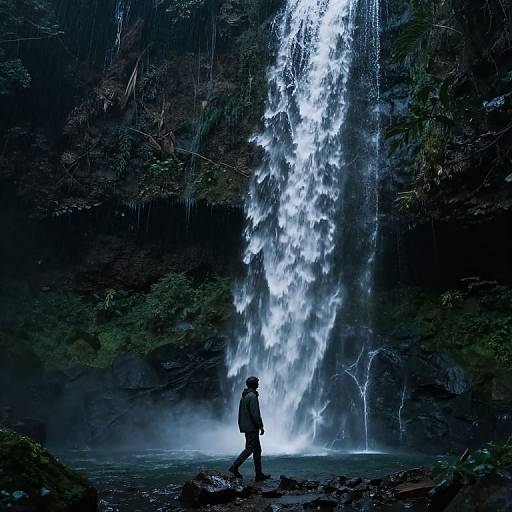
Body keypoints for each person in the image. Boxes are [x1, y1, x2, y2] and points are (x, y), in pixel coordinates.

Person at [229, 376, 271, 481]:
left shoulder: (245, 395)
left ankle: (259, 474)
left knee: (257, 449)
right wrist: (260, 426)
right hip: (251, 427)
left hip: (247, 426)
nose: (258, 384)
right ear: (253, 384)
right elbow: (255, 413)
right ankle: (234, 467)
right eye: (257, 382)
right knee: (249, 449)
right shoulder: (252, 396)